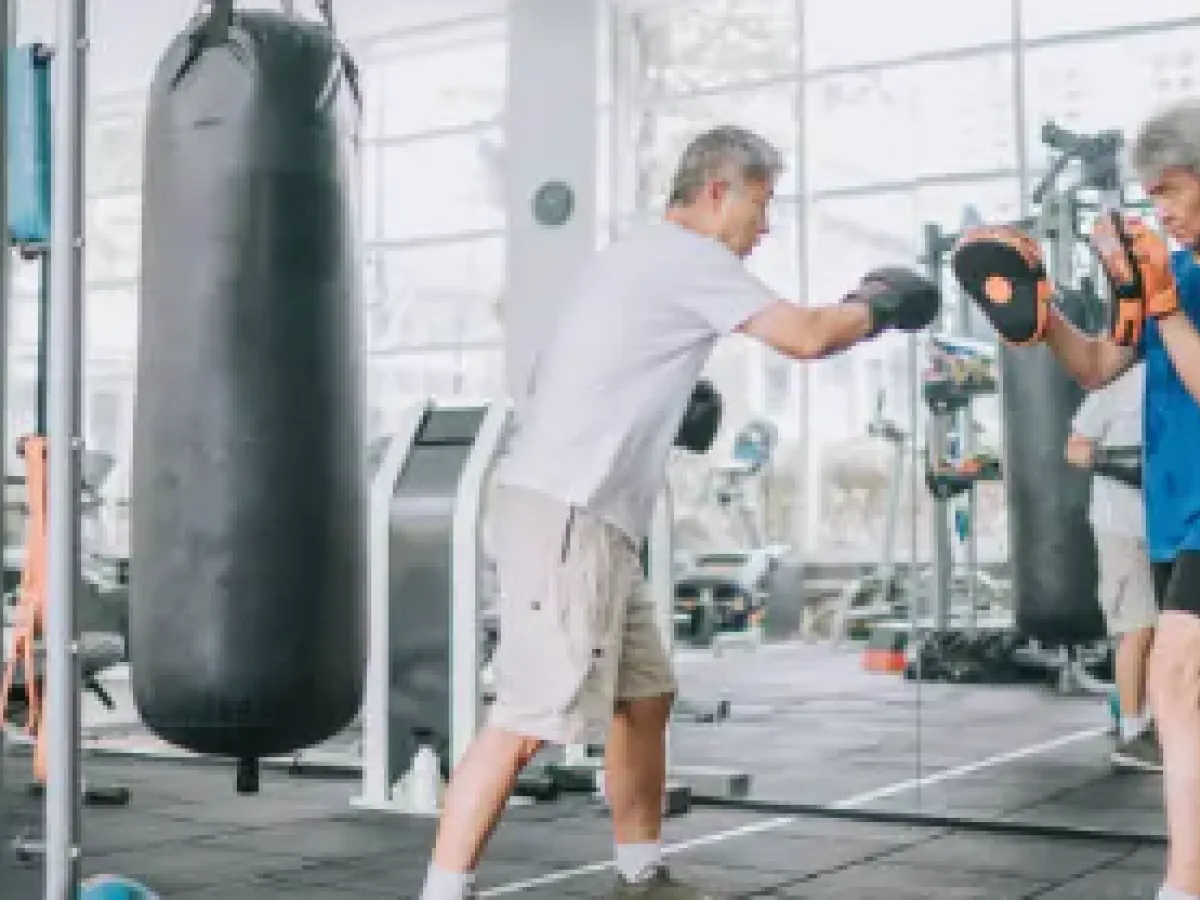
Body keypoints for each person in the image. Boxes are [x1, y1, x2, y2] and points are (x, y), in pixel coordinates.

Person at [416, 125, 941, 900]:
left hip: (596, 518)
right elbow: (804, 337)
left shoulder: (632, 258)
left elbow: (553, 372)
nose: (764, 227)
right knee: (526, 720)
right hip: (568, 512)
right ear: (717, 191)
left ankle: (641, 873)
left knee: (645, 698)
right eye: (760, 205)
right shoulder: (689, 257)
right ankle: (441, 892)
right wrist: (877, 303)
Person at [953, 98, 1200, 900]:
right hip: (1171, 515)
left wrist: (1162, 302)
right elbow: (1099, 364)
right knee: (1182, 689)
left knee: (1176, 679)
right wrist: (1039, 315)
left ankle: (1183, 883)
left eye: (1170, 191)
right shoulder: (1181, 272)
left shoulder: (1176, 283)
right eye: (1151, 196)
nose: (1159, 211)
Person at [1065, 361, 1161, 772]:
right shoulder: (1118, 384)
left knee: (1172, 633)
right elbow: (1075, 449)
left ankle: (1163, 726)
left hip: (1173, 527)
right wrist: (1126, 466)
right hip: (1122, 528)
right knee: (1137, 630)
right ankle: (1132, 733)